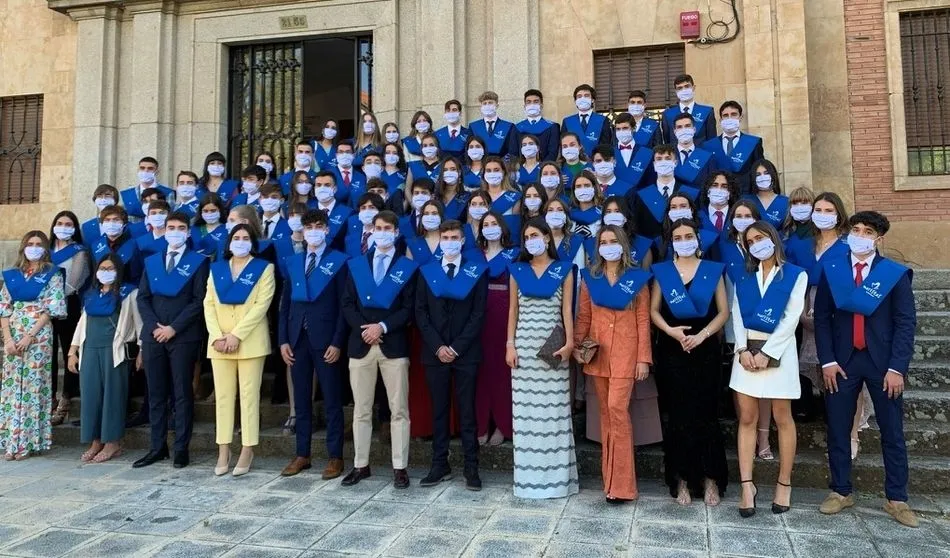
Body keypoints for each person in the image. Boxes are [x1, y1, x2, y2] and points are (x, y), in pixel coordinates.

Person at [814, 211, 918, 527]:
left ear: (878, 238)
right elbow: (821, 319)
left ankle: (897, 499)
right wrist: (828, 361)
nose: (860, 234)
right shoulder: (833, 270)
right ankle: (841, 490)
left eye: (867, 231)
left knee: (892, 432)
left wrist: (897, 367)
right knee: (838, 426)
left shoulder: (893, 274)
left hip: (882, 363)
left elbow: (905, 322)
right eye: (855, 229)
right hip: (843, 362)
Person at [650, 218, 729, 506]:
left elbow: (723, 312)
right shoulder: (663, 272)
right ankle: (681, 480)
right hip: (673, 352)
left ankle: (711, 480)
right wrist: (671, 331)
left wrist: (704, 335)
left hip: (705, 350)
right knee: (679, 417)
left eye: (688, 236)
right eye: (678, 237)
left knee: (706, 415)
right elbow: (654, 310)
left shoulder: (712, 271)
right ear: (671, 242)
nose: (684, 240)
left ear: (698, 239)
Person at [730, 221, 807, 517]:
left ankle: (783, 483)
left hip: (779, 352)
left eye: (760, 238)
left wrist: (767, 352)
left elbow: (791, 318)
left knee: (782, 417)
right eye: (750, 241)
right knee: (747, 418)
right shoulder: (744, 275)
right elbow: (737, 315)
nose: (756, 244)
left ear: (773, 238)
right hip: (746, 354)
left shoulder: (796, 275)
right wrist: (741, 350)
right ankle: (746, 485)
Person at [575, 225, 653, 503]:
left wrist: (643, 357)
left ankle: (623, 486)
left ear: (622, 245)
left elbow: (643, 319)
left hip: (626, 353)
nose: (608, 246)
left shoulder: (636, 279)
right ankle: (609, 482)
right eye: (603, 242)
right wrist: (578, 344)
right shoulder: (591, 278)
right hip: (598, 355)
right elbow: (583, 316)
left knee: (616, 410)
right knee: (607, 417)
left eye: (613, 241)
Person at [340, 210, 417, 489]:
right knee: (361, 410)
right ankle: (361, 465)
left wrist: (381, 327)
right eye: (377, 227)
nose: (381, 232)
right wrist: (367, 329)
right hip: (360, 345)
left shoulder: (406, 267)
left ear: (396, 233)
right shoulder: (356, 265)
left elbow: (409, 308)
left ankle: (400, 467)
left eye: (387, 227)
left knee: (399, 410)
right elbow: (347, 304)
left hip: (393, 345)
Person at [506, 218, 578, 499]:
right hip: (524, 349)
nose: (531, 240)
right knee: (527, 416)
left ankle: (558, 482)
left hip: (552, 349)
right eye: (526, 237)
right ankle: (528, 481)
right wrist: (509, 345)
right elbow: (513, 310)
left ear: (548, 238)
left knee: (555, 414)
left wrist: (570, 343)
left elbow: (566, 311)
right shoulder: (517, 270)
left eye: (536, 235)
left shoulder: (564, 269)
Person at [415, 219, 488, 490]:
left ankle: (472, 468)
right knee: (439, 411)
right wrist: (438, 346)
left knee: (467, 412)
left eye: (454, 237)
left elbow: (479, 313)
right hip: (435, 353)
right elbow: (420, 312)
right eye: (444, 237)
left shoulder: (476, 272)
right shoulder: (426, 271)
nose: (449, 241)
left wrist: (456, 347)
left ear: (462, 240)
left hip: (465, 353)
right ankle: (439, 465)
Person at [133, 212, 209, 469]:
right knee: (155, 394)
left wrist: (173, 328)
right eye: (171, 227)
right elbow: (142, 298)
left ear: (188, 232)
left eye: (181, 227)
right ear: (164, 231)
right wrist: (155, 327)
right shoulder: (152, 261)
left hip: (183, 337)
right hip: (154, 336)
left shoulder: (198, 262)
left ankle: (181, 448)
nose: (175, 231)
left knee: (182, 393)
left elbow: (199, 301)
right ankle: (157, 447)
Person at [278, 210, 349, 479]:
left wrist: (337, 341)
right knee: (302, 401)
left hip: (326, 340)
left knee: (332, 400)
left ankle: (335, 457)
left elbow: (344, 306)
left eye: (319, 226)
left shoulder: (338, 262)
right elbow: (285, 305)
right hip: (297, 340)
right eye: (309, 226)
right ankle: (302, 454)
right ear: (303, 230)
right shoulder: (294, 262)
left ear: (327, 230)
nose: (314, 231)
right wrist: (283, 339)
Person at [204, 224, 276, 476]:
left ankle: (247, 448)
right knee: (223, 398)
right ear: (229, 241)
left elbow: (261, 305)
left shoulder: (264, 269)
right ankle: (224, 449)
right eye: (236, 237)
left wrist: (236, 335)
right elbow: (209, 303)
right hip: (219, 344)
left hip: (250, 342)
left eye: (246, 238)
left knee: (249, 397)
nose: (241, 241)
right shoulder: (217, 269)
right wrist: (217, 336)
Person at [67, 255, 141, 463]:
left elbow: (139, 324)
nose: (106, 272)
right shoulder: (91, 295)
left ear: (118, 271)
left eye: (110, 268)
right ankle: (95, 441)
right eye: (102, 268)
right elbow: (82, 323)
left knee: (113, 397)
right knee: (91, 397)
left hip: (114, 351)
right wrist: (72, 351)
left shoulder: (129, 293)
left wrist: (142, 351)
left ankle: (113, 443)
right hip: (89, 349)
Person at [0, 231, 67, 460]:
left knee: (32, 386)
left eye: (39, 244)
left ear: (45, 248)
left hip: (37, 334)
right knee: (12, 385)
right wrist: (8, 339)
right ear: (23, 246)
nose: (34, 247)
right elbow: (4, 308)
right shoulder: (12, 274)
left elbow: (52, 308)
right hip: (14, 332)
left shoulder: (52, 274)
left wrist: (30, 335)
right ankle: (12, 441)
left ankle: (29, 442)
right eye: (30, 243)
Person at [473, 212, 518, 446]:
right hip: (478, 314)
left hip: (504, 313)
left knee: (502, 372)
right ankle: (482, 424)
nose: (490, 228)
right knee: (481, 371)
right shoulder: (474, 255)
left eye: (494, 223)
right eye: (486, 225)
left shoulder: (515, 254)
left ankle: (502, 425)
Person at [48, 211, 90, 426]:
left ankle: (66, 398)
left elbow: (74, 282)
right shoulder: (45, 250)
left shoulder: (78, 252)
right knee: (48, 354)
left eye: (68, 224)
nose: (63, 227)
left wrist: (52, 298)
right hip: (43, 310)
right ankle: (49, 398)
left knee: (68, 351)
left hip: (68, 305)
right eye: (60, 223)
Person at [632, 145, 699, 239]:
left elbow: (696, 220)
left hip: (683, 244)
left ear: (675, 163)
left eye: (667, 158)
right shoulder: (642, 194)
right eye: (659, 159)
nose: (663, 162)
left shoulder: (689, 192)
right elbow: (639, 227)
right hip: (655, 248)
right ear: (654, 164)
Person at [702, 101, 765, 193]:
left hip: (746, 196)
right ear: (720, 120)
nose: (729, 118)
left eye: (734, 114)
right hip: (718, 196)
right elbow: (706, 176)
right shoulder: (708, 146)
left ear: (740, 117)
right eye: (725, 115)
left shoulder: (753, 143)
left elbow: (759, 171)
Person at [663, 74, 717, 145]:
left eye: (687, 86)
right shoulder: (667, 114)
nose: (683, 90)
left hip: (701, 155)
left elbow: (712, 140)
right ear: (676, 91)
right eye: (680, 88)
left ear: (693, 88)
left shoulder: (707, 112)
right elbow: (667, 141)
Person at [561, 84, 613, 154]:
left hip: (595, 162)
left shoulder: (603, 120)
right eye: (579, 96)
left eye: (586, 95)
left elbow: (606, 145)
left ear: (592, 100)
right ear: (575, 101)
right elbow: (563, 146)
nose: (582, 98)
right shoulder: (567, 121)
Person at [512, 89, 560, 162]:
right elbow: (513, 153)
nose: (532, 104)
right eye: (529, 102)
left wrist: (542, 168)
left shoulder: (552, 127)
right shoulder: (517, 128)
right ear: (524, 106)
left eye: (536, 101)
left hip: (545, 169)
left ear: (541, 105)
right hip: (523, 169)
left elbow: (553, 152)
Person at [672, 113, 715, 190]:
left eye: (687, 126)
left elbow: (711, 182)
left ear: (694, 129)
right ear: (675, 132)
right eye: (679, 127)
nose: (683, 130)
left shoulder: (706, 155)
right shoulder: (668, 154)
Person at [612, 113, 655, 190]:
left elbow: (650, 181)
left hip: (639, 198)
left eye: (625, 128)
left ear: (634, 128)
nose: (621, 131)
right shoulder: (610, 152)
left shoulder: (646, 153)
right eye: (618, 129)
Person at [744, 159, 789, 230]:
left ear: (773, 175)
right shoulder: (746, 201)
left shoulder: (786, 202)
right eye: (758, 174)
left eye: (766, 173)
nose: (762, 177)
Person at [469, 91, 514, 158]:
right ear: (481, 107)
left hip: (501, 164)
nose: (487, 105)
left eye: (490, 103)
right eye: (484, 103)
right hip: (480, 163)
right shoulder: (473, 127)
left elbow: (512, 150)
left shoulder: (508, 126)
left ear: (497, 105)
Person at [568, 170, 604, 239]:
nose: (583, 189)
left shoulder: (604, 212)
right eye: (578, 186)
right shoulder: (569, 214)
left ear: (594, 187)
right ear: (574, 190)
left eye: (587, 185)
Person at [435, 157, 468, 221]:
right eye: (445, 170)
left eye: (453, 169)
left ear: (459, 172)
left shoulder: (467, 197)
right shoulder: (435, 197)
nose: (449, 172)